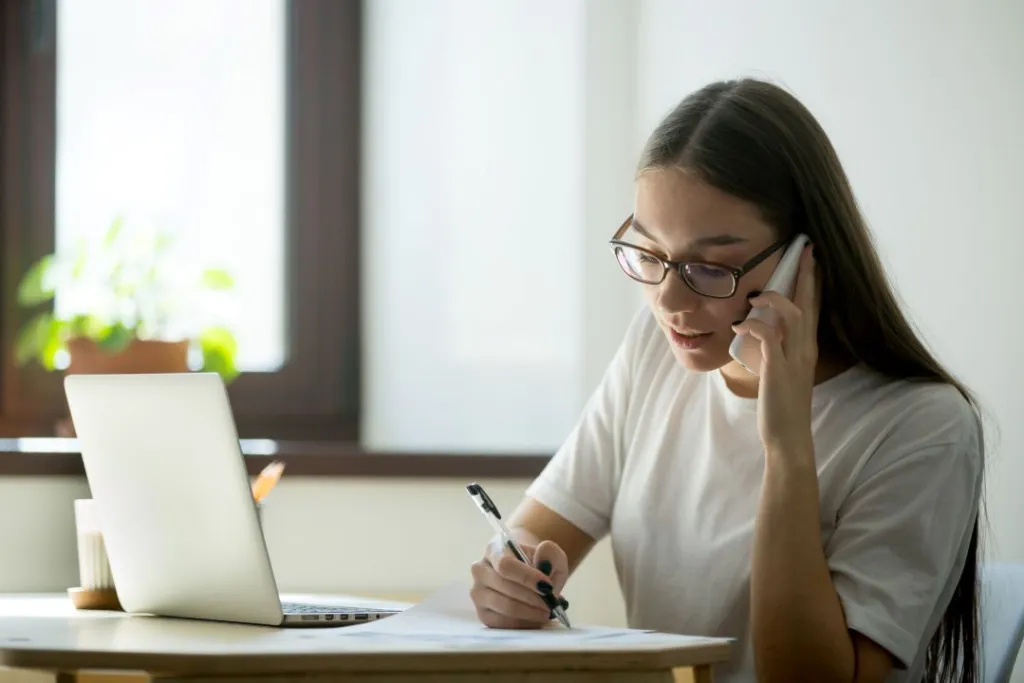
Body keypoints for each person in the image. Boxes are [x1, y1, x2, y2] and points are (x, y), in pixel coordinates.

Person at [468, 78, 984, 683]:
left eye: (709, 268)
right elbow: (537, 532)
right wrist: (514, 574)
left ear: (803, 257)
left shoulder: (923, 426)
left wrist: (787, 447)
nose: (669, 301)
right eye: (650, 254)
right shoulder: (655, 351)